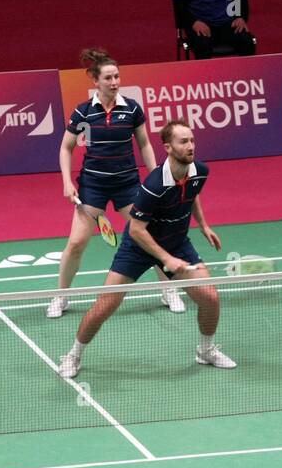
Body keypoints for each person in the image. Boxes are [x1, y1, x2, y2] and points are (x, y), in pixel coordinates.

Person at [59, 121, 236, 377]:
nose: (190, 146)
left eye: (192, 140)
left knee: (210, 299)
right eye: (183, 142)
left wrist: (204, 225)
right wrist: (166, 259)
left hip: (177, 242)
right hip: (138, 248)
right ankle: (73, 355)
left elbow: (193, 192)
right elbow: (136, 230)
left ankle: (205, 350)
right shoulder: (154, 185)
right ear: (167, 147)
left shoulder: (199, 171)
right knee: (105, 305)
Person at [53, 49, 188, 318]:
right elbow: (66, 148)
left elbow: (145, 143)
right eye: (108, 78)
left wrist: (157, 176)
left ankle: (169, 290)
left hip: (127, 184)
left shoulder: (132, 109)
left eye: (117, 77)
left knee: (151, 237)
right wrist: (67, 182)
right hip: (93, 185)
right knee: (77, 243)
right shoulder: (83, 113)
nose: (114, 82)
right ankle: (61, 296)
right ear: (95, 80)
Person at [173, 0, 257, 60]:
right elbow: (179, 6)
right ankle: (204, 75)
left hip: (227, 23)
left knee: (247, 42)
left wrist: (241, 17)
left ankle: (247, 75)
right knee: (203, 46)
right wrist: (193, 22)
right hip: (200, 25)